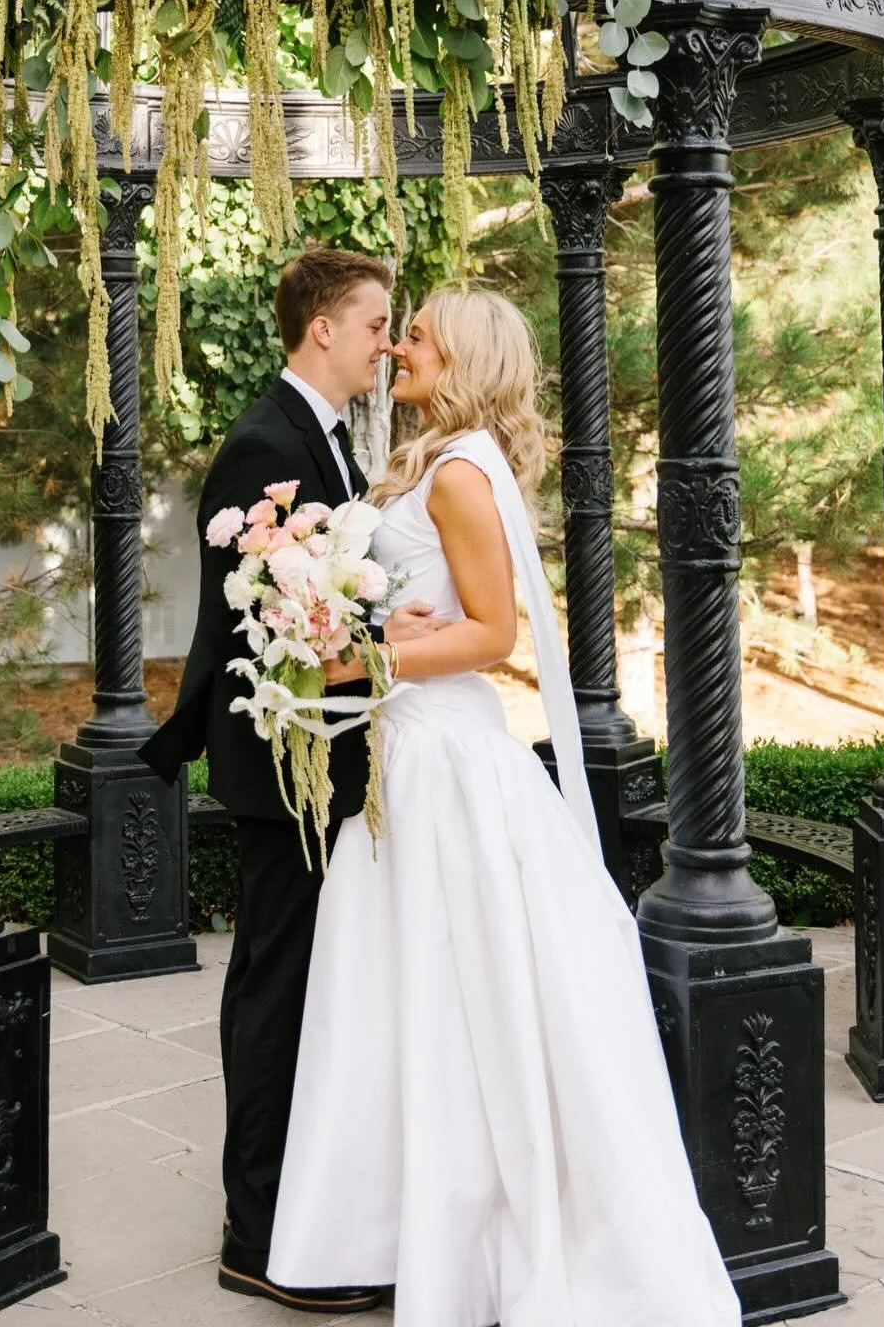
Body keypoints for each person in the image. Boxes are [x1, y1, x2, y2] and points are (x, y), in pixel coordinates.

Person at [266, 288, 741, 1326]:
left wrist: (361, 654)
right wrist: (352, 619)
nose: (399, 345)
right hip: (408, 749)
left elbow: (492, 638)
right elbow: (429, 608)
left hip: (447, 758)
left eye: (419, 334)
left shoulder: (464, 474)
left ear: (466, 356)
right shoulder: (438, 461)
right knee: (413, 995)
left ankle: (485, 1232)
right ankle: (406, 1228)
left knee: (456, 990)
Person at [138, 246, 431, 1316]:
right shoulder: (264, 443)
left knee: (311, 990)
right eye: (374, 325)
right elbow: (250, 626)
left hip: (330, 760)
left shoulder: (328, 438)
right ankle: (253, 1234)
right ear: (323, 330)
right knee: (275, 992)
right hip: (283, 772)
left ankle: (306, 1206)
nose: (386, 344)